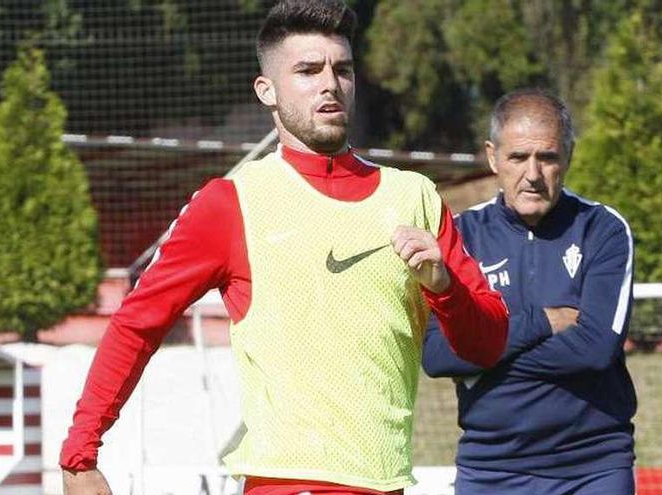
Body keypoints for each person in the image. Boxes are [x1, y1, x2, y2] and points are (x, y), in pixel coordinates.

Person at [60, 1, 509, 494]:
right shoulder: (231, 203)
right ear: (266, 90)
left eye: (342, 69)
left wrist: (444, 286)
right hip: (286, 484)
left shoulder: (414, 197)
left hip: (389, 484)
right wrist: (80, 454)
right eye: (307, 70)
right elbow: (136, 324)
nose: (329, 84)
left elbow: (485, 344)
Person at [422, 88, 637, 494]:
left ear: (568, 156)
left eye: (548, 157)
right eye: (518, 157)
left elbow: (595, 349)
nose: (533, 174)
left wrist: (481, 352)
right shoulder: (461, 236)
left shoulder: (604, 229)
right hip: (491, 469)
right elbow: (436, 355)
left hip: (593, 469)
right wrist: (542, 323)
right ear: (492, 157)